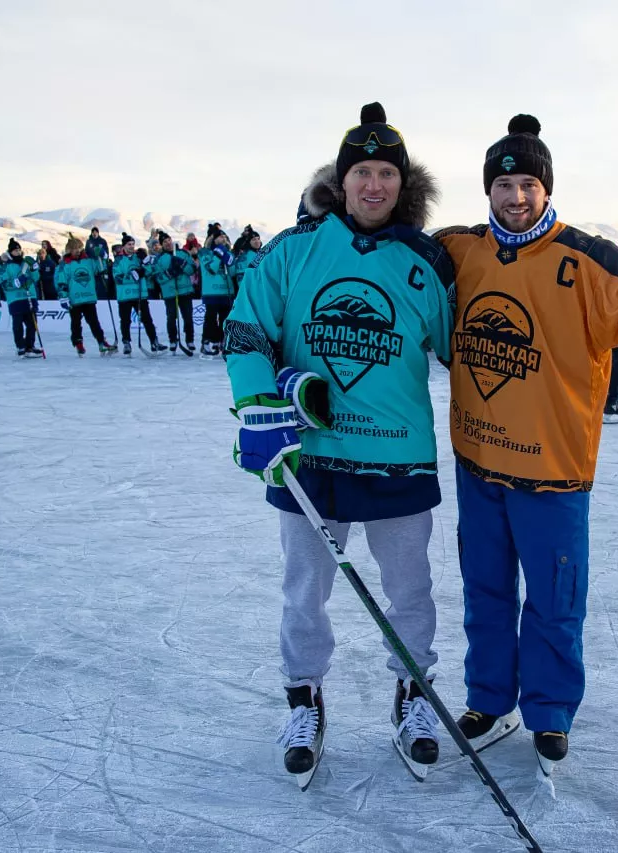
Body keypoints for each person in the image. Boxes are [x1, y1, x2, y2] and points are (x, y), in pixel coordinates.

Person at [432, 115, 618, 773]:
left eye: (527, 183)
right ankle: (486, 696)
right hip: (478, 464)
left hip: (553, 472)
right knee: (485, 590)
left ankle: (550, 709)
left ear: (546, 187)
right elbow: (393, 261)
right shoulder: (460, 249)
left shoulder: (589, 259)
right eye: (504, 183)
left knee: (555, 600)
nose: (515, 196)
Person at [226, 103, 455, 782]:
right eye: (363, 172)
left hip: (398, 456)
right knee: (304, 591)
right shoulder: (295, 249)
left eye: (387, 173)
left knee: (411, 591)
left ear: (402, 184)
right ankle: (305, 696)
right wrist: (259, 402)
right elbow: (246, 330)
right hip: (308, 456)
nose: (374, 185)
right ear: (343, 179)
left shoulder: (426, 261)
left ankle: (413, 693)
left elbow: (465, 352)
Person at [55, 234, 117, 356]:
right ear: (69, 250)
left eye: (79, 248)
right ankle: (78, 343)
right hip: (75, 299)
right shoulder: (65, 265)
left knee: (94, 322)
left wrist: (101, 256)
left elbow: (100, 269)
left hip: (89, 297)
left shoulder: (88, 261)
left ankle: (101, 342)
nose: (77, 251)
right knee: (76, 322)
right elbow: (62, 281)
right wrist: (63, 296)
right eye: (74, 249)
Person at [114, 233, 164, 355]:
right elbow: (117, 278)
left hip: (140, 294)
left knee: (147, 319)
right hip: (125, 296)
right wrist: (132, 275)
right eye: (129, 244)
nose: (131, 246)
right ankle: (126, 342)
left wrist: (144, 267)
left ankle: (154, 342)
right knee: (125, 320)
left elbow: (149, 271)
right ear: (123, 246)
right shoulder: (119, 260)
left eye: (133, 244)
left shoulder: (138, 257)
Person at [152, 231, 195, 354]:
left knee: (188, 317)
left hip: (185, 291)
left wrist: (182, 264)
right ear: (161, 245)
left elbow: (192, 270)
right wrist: (170, 273)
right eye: (164, 242)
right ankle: (173, 340)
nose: (168, 243)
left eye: (169, 240)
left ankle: (189, 339)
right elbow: (157, 277)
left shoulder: (182, 253)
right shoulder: (159, 259)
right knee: (171, 317)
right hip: (170, 293)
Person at [2, 239, 42, 357]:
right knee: (18, 324)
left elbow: (35, 278)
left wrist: (34, 268)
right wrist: (17, 283)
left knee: (32, 324)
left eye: (19, 250)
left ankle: (30, 346)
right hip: (15, 299)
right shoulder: (6, 266)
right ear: (10, 252)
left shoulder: (26, 263)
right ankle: (20, 346)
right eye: (15, 250)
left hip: (30, 296)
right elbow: (4, 283)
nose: (18, 252)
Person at [199, 226, 235, 357]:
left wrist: (228, 259)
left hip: (227, 292)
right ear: (213, 239)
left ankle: (222, 342)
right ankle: (207, 342)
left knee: (225, 319)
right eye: (220, 236)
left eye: (225, 237)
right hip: (211, 292)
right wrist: (218, 255)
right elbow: (211, 269)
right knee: (211, 319)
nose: (223, 239)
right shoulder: (204, 252)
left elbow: (232, 273)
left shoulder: (229, 253)